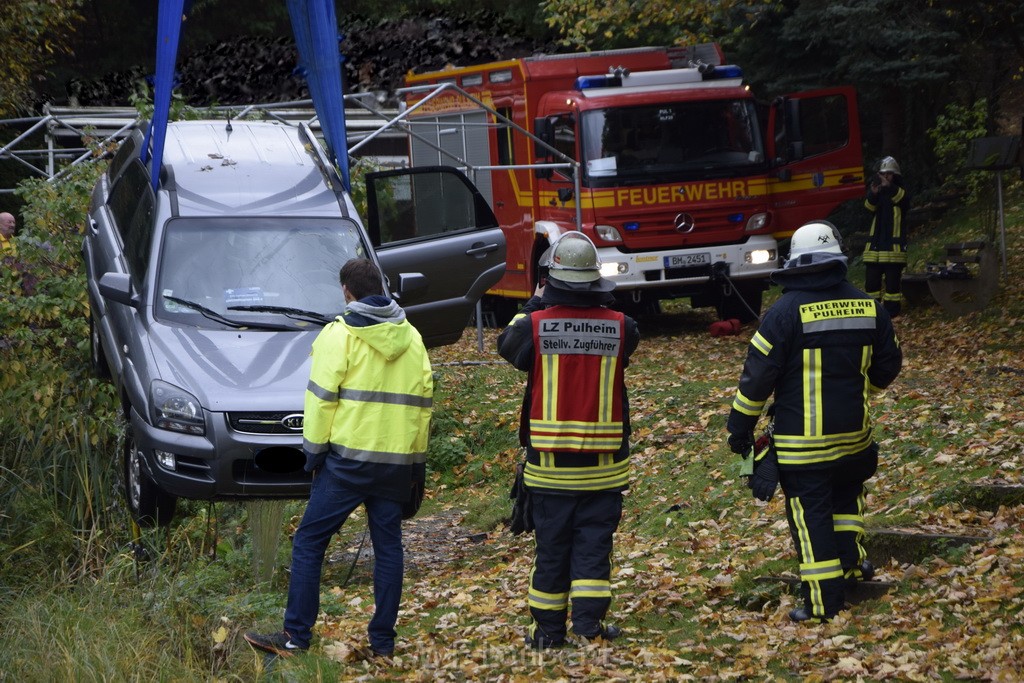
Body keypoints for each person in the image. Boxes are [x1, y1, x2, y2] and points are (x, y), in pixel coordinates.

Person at [244, 258, 432, 658]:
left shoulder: (339, 334)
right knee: (388, 549)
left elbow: (321, 401)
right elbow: (421, 407)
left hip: (347, 464)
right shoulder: (412, 337)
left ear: (347, 291)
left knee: (310, 542)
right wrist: (416, 467)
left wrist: (312, 456)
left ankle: (296, 637)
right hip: (396, 463)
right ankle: (382, 643)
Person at [726, 220, 902, 624]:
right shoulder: (867, 305)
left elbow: (756, 381)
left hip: (805, 450)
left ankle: (824, 604)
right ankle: (853, 569)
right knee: (846, 506)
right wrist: (865, 391)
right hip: (855, 442)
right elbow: (888, 366)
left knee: (813, 519)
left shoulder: (783, 314)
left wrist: (739, 428)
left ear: (798, 264)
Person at [497, 231, 640, 649]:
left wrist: (538, 300)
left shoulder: (534, 326)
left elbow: (509, 344)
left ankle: (548, 633)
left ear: (551, 279)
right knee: (594, 549)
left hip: (550, 471)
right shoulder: (623, 328)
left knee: (552, 552)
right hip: (603, 471)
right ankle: (590, 627)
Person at [863, 156, 910, 317]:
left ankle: (891, 312)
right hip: (875, 248)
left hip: (893, 248)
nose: (886, 177)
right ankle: (872, 313)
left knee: (892, 285)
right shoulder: (879, 192)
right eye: (883, 174)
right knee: (871, 283)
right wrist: (873, 194)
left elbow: (903, 201)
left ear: (895, 175)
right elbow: (869, 209)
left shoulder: (900, 191)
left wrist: (889, 187)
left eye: (889, 174)